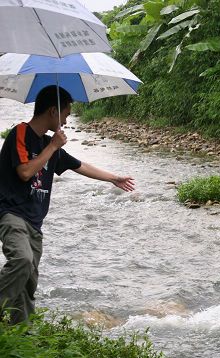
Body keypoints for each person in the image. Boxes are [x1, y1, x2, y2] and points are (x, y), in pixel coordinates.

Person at [0, 86, 135, 324]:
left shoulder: (50, 143)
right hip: (12, 214)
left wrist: (114, 178)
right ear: (53, 110)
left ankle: (20, 335)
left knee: (28, 284)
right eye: (66, 113)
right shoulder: (20, 133)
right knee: (21, 260)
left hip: (34, 221)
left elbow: (80, 165)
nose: (66, 119)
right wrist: (53, 147)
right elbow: (24, 172)